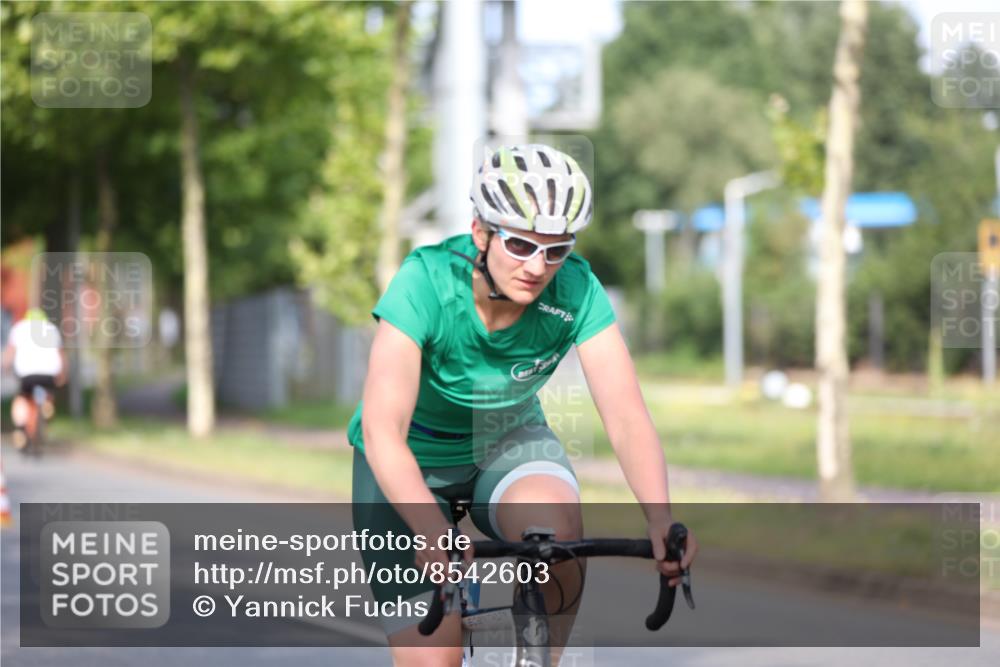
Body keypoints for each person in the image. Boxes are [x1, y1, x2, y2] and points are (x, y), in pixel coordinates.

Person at [349, 144, 698, 666]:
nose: (538, 267)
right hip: (408, 458)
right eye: (519, 244)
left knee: (555, 534)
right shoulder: (423, 282)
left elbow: (625, 417)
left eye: (556, 250)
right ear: (480, 233)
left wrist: (659, 518)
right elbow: (382, 431)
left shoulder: (576, 291)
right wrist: (430, 530)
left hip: (505, 440)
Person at [2, 308, 66, 448]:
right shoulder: (52, 329)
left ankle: (20, 429)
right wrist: (62, 375)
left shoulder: (19, 329)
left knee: (22, 399)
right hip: (49, 373)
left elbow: (10, 353)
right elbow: (61, 354)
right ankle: (47, 406)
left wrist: (5, 368)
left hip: (27, 373)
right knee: (48, 394)